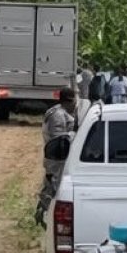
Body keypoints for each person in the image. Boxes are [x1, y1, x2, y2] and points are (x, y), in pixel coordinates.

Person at [35, 88, 78, 227]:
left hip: (54, 155)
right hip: (57, 157)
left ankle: (42, 212)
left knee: (50, 185)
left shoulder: (55, 110)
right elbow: (59, 139)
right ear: (70, 100)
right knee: (54, 186)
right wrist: (74, 134)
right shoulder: (58, 115)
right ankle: (46, 215)